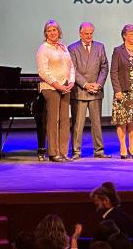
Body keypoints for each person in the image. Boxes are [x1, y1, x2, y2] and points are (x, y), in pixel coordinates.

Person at [68, 22, 110, 159]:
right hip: (80, 91)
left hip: (96, 91)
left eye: (91, 33)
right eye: (86, 33)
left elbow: (104, 67)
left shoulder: (99, 46)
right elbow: (73, 69)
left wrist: (98, 84)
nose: (89, 36)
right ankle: (76, 151)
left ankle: (99, 151)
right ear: (80, 33)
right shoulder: (73, 48)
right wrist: (86, 84)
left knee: (97, 123)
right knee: (78, 124)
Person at [36, 19, 75, 162]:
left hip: (65, 87)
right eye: (49, 30)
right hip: (51, 88)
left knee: (65, 120)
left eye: (55, 30)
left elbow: (71, 66)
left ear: (59, 32)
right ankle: (53, 152)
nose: (52, 33)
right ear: (45, 33)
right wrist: (57, 84)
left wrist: (71, 81)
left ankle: (63, 152)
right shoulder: (43, 49)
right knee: (54, 120)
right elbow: (43, 72)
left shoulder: (63, 47)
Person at [110, 24, 133, 159]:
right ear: (124, 35)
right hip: (123, 91)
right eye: (131, 34)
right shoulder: (118, 51)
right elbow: (114, 72)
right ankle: (123, 147)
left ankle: (132, 147)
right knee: (122, 120)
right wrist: (117, 90)